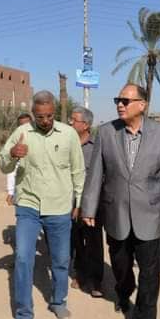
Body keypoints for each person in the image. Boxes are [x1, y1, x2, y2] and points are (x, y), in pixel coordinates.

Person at [81, 84, 160, 319]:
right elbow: (95, 173)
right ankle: (124, 291)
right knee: (120, 265)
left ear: (142, 104)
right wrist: (88, 207)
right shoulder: (106, 132)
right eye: (117, 100)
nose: (120, 105)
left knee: (150, 272)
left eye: (125, 100)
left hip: (149, 213)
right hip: (116, 212)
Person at [0, 90, 85, 319]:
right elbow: (3, 164)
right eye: (40, 117)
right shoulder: (22, 133)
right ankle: (24, 315)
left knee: (60, 259)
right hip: (29, 206)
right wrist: (12, 155)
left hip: (59, 207)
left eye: (49, 116)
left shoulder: (68, 134)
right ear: (33, 113)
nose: (45, 121)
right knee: (23, 258)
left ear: (54, 112)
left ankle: (58, 301)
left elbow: (78, 170)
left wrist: (78, 202)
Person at [69, 106, 104, 297]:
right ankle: (80, 274)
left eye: (74, 120)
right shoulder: (67, 144)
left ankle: (96, 281)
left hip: (93, 202)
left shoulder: (98, 146)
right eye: (71, 119)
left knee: (94, 241)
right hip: (70, 201)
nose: (71, 123)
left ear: (86, 125)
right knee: (76, 240)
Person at [6, 112, 33, 206]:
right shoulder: (15, 145)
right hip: (22, 190)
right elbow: (12, 169)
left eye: (27, 125)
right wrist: (10, 192)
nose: (25, 128)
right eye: (22, 126)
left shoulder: (42, 140)